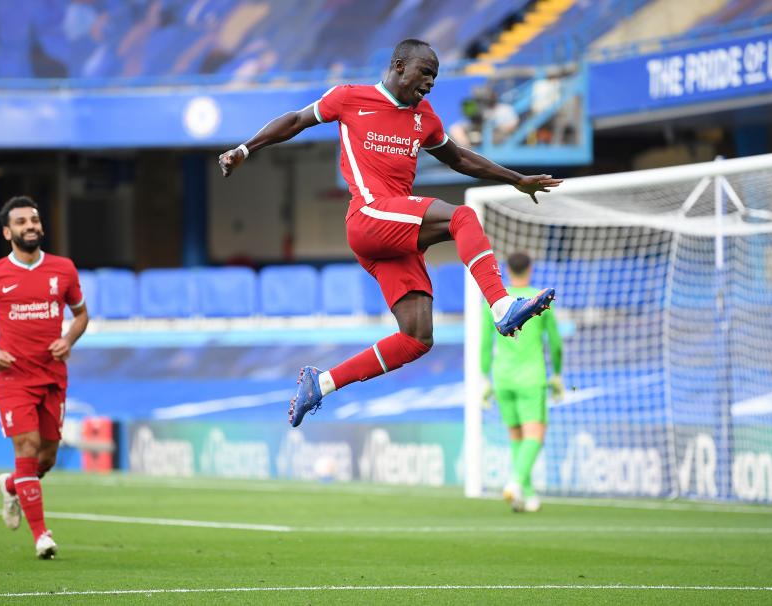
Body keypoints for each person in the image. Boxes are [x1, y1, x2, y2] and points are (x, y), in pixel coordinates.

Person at [219, 38, 562, 428]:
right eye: (425, 73)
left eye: (435, 76)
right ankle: (502, 307)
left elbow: (460, 158)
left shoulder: (425, 117)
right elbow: (297, 120)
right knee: (463, 218)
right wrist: (244, 150)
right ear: (399, 66)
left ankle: (322, 383)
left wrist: (516, 179)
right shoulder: (349, 98)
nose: (430, 83)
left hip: (391, 232)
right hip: (368, 215)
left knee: (417, 338)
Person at [0, 196, 89, 559]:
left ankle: (12, 486)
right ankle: (42, 536)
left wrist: (67, 338)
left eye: (34, 220)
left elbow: (81, 315)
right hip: (13, 375)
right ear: (7, 232)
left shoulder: (63, 269)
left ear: (41, 227)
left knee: (46, 458)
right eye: (21, 222)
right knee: (27, 448)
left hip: (52, 376)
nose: (29, 226)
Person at [480, 252, 562, 513]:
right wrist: (557, 373)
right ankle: (516, 483)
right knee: (535, 435)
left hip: (502, 377)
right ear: (530, 269)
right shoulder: (540, 300)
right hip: (531, 377)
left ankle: (527, 495)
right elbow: (555, 343)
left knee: (516, 436)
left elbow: (485, 344)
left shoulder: (493, 303)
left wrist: (485, 378)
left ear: (506, 269)